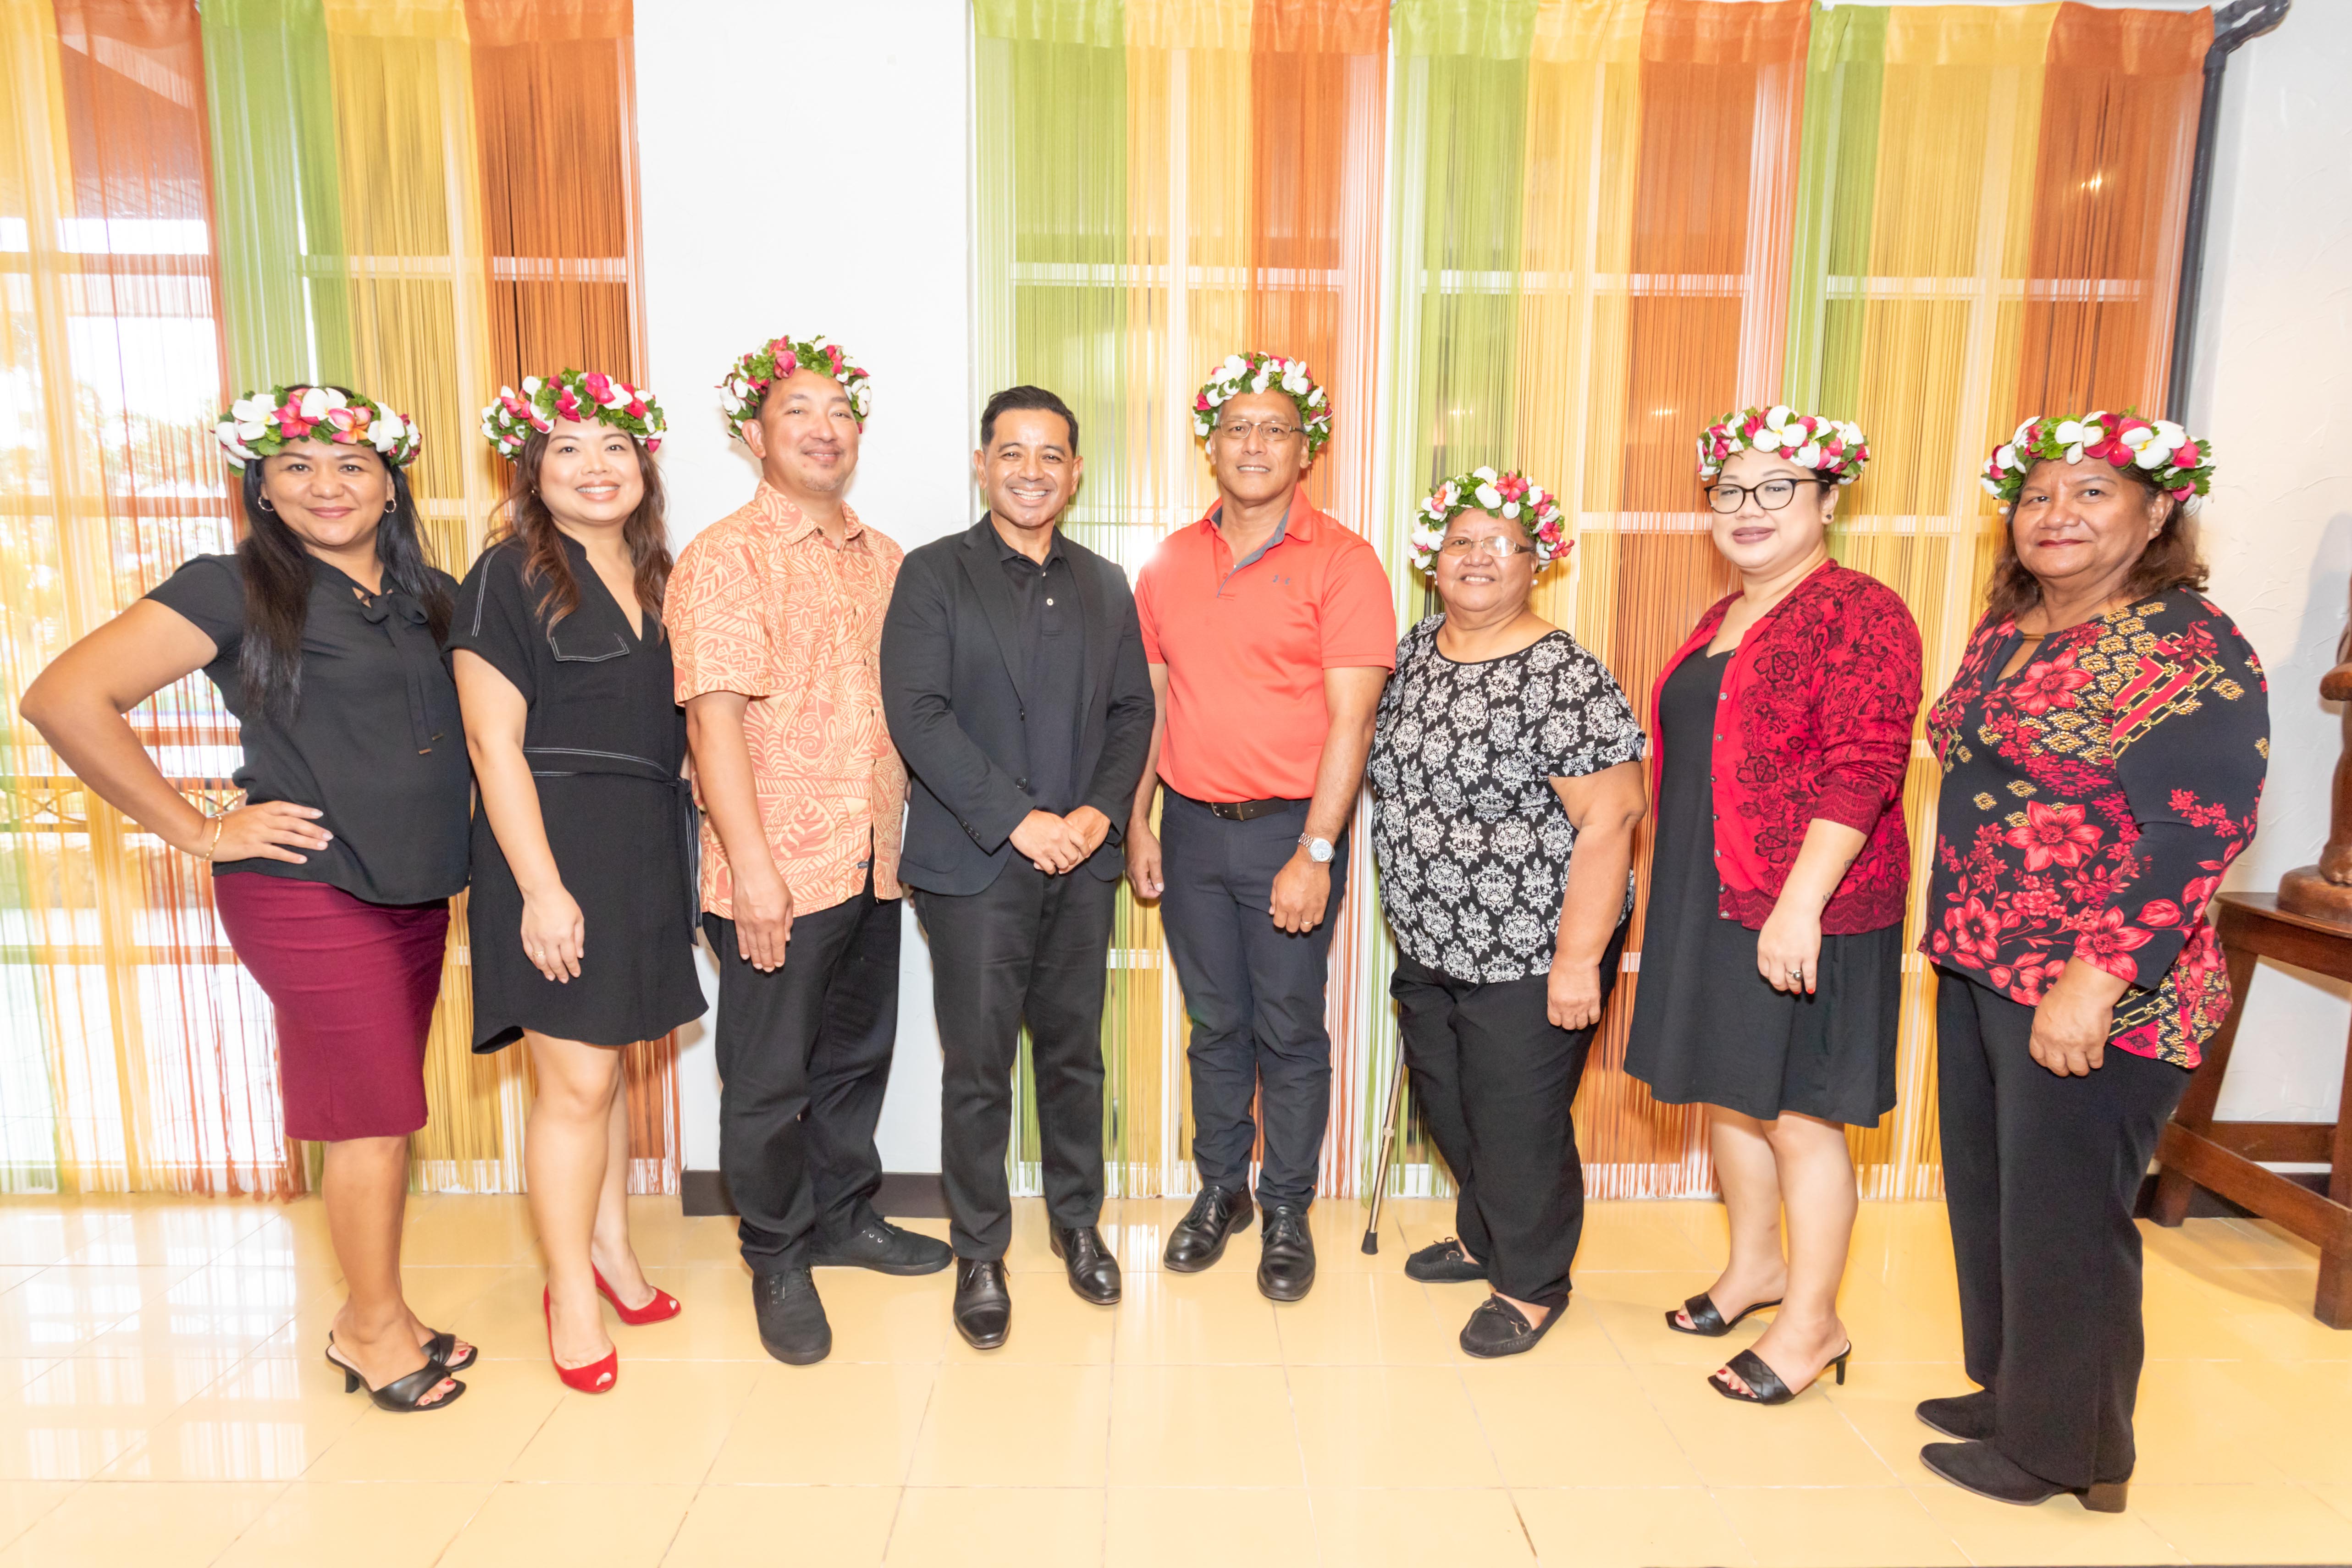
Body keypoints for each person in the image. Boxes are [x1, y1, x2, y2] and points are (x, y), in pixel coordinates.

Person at [20, 386, 474, 1412]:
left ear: (391, 483)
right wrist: (196, 827)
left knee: (385, 1115)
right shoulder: (230, 589)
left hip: (412, 886)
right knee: (372, 1116)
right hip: (309, 886)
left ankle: (385, 1311)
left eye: (352, 465)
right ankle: (367, 1331)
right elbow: (61, 696)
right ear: (261, 488)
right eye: (299, 467)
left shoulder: (428, 594)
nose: (328, 486)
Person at [1917, 412, 2264, 1511]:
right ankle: (2022, 1391)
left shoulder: (2187, 644)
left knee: (2068, 1210)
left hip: (2102, 983)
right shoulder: (2012, 623)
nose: (2056, 516)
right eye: (2036, 498)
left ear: (2157, 510)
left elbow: (2196, 828)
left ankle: (2064, 1451)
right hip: (1981, 958)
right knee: (1996, 1197)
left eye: (2092, 493)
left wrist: (2092, 983)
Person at [1623, 407, 1920, 1404]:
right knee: (1733, 1092)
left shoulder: (1860, 610)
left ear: (1828, 500)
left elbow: (1867, 766)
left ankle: (1814, 1323)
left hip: (1811, 903)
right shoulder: (1725, 616)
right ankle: (1755, 1267)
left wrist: (1800, 908)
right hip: (1715, 890)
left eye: (1777, 488)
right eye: (1731, 490)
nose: (1748, 509)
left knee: (1801, 1114)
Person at [668, 335, 950, 1367]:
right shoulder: (725, 558)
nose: (824, 427)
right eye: (799, 411)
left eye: (840, 411)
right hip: (772, 868)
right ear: (755, 435)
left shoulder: (885, 562)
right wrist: (750, 870)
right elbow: (712, 723)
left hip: (872, 860)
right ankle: (776, 1251)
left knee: (853, 1061)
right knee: (767, 1076)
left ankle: (844, 1216)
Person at [880, 385, 1154, 1349]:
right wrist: (1019, 820)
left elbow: (1131, 715)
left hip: (1082, 864)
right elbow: (917, 714)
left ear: (1075, 473)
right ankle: (981, 1253)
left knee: (1075, 1058)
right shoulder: (930, 576)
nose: (1032, 470)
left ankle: (1079, 1229)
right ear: (982, 463)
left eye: (1052, 455)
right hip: (976, 868)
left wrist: (1093, 814)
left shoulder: (1105, 583)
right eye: (1013, 451)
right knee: (980, 1069)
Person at [451, 372, 706, 1393]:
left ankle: (614, 1254)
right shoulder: (507, 574)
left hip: (642, 843)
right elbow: (491, 740)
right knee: (574, 1083)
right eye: (568, 449)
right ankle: (569, 1290)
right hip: (548, 846)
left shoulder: (666, 578)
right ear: (532, 473)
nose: (597, 467)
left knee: (605, 1072)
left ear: (643, 466)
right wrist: (542, 890)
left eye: (615, 447)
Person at [1127, 351, 1396, 1302]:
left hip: (1291, 829)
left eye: (1274, 428)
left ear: (1304, 448)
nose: (1253, 444)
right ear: (1211, 444)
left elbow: (1353, 720)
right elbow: (1154, 702)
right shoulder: (1168, 562)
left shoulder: (1344, 560)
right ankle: (1220, 1193)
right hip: (1193, 831)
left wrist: (1316, 852)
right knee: (1215, 1025)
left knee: (1287, 1026)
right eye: (1236, 427)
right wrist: (1139, 822)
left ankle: (1287, 1207)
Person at [1369, 469, 1647, 1356]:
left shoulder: (1558, 672)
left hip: (1533, 947)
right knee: (1451, 1106)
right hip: (1430, 937)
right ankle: (1483, 1233)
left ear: (1536, 565)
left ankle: (1530, 1282)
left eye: (1500, 544)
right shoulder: (1413, 653)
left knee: (1517, 1122)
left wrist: (1576, 961)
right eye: (1460, 542)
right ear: (1432, 562)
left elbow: (1613, 816)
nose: (1477, 558)